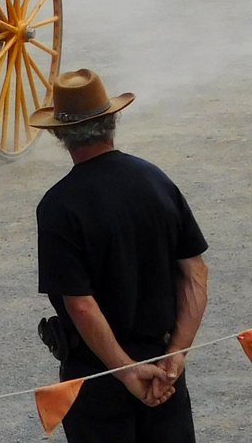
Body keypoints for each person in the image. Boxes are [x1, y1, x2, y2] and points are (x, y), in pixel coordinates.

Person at [33, 69, 207, 442]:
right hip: (164, 368)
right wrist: (175, 356)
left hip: (98, 376)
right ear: (112, 121)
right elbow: (194, 274)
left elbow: (80, 305)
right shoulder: (157, 181)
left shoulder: (59, 205)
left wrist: (127, 372)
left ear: (60, 135)